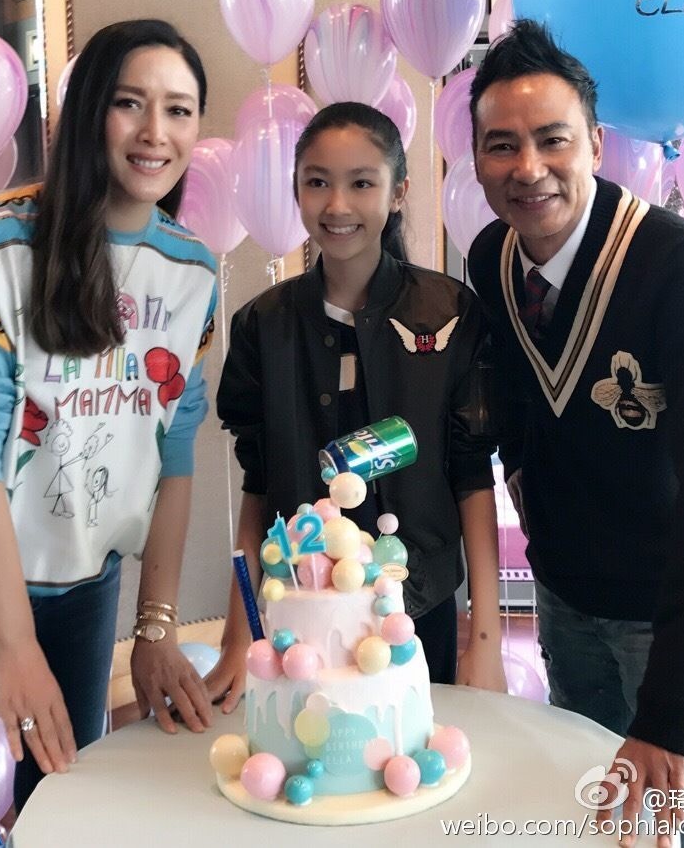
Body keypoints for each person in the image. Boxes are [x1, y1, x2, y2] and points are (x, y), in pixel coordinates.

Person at [0, 19, 218, 845]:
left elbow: (175, 454)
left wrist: (156, 625)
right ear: (91, 109)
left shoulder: (192, 270)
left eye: (179, 110)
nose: (155, 132)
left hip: (82, 583)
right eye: (130, 103)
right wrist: (14, 646)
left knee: (64, 818)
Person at [466, 19, 684, 847]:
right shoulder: (492, 260)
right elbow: (513, 406)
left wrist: (673, 712)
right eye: (501, 146)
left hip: (667, 619)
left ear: (596, 145)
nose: (529, 167)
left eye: (553, 139)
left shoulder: (679, 268)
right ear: (478, 160)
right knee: (591, 824)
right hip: (566, 603)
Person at [207, 101, 507, 710]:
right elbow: (258, 487)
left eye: (362, 183)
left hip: (417, 604)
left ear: (398, 193)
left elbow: (472, 477)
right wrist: (240, 633)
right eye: (317, 182)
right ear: (297, 191)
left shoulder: (450, 313)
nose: (338, 206)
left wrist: (487, 639)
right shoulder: (264, 326)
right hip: (303, 612)